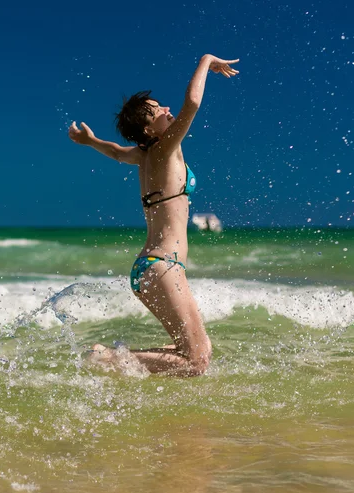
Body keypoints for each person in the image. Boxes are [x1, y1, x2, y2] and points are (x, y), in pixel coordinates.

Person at [68, 54, 239, 377]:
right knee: (197, 360)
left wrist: (90, 142)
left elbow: (116, 152)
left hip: (148, 270)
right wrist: (206, 62)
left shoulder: (142, 156)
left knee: (188, 354)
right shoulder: (164, 148)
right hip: (162, 267)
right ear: (148, 128)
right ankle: (105, 358)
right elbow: (192, 104)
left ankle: (118, 361)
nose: (165, 109)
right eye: (156, 110)